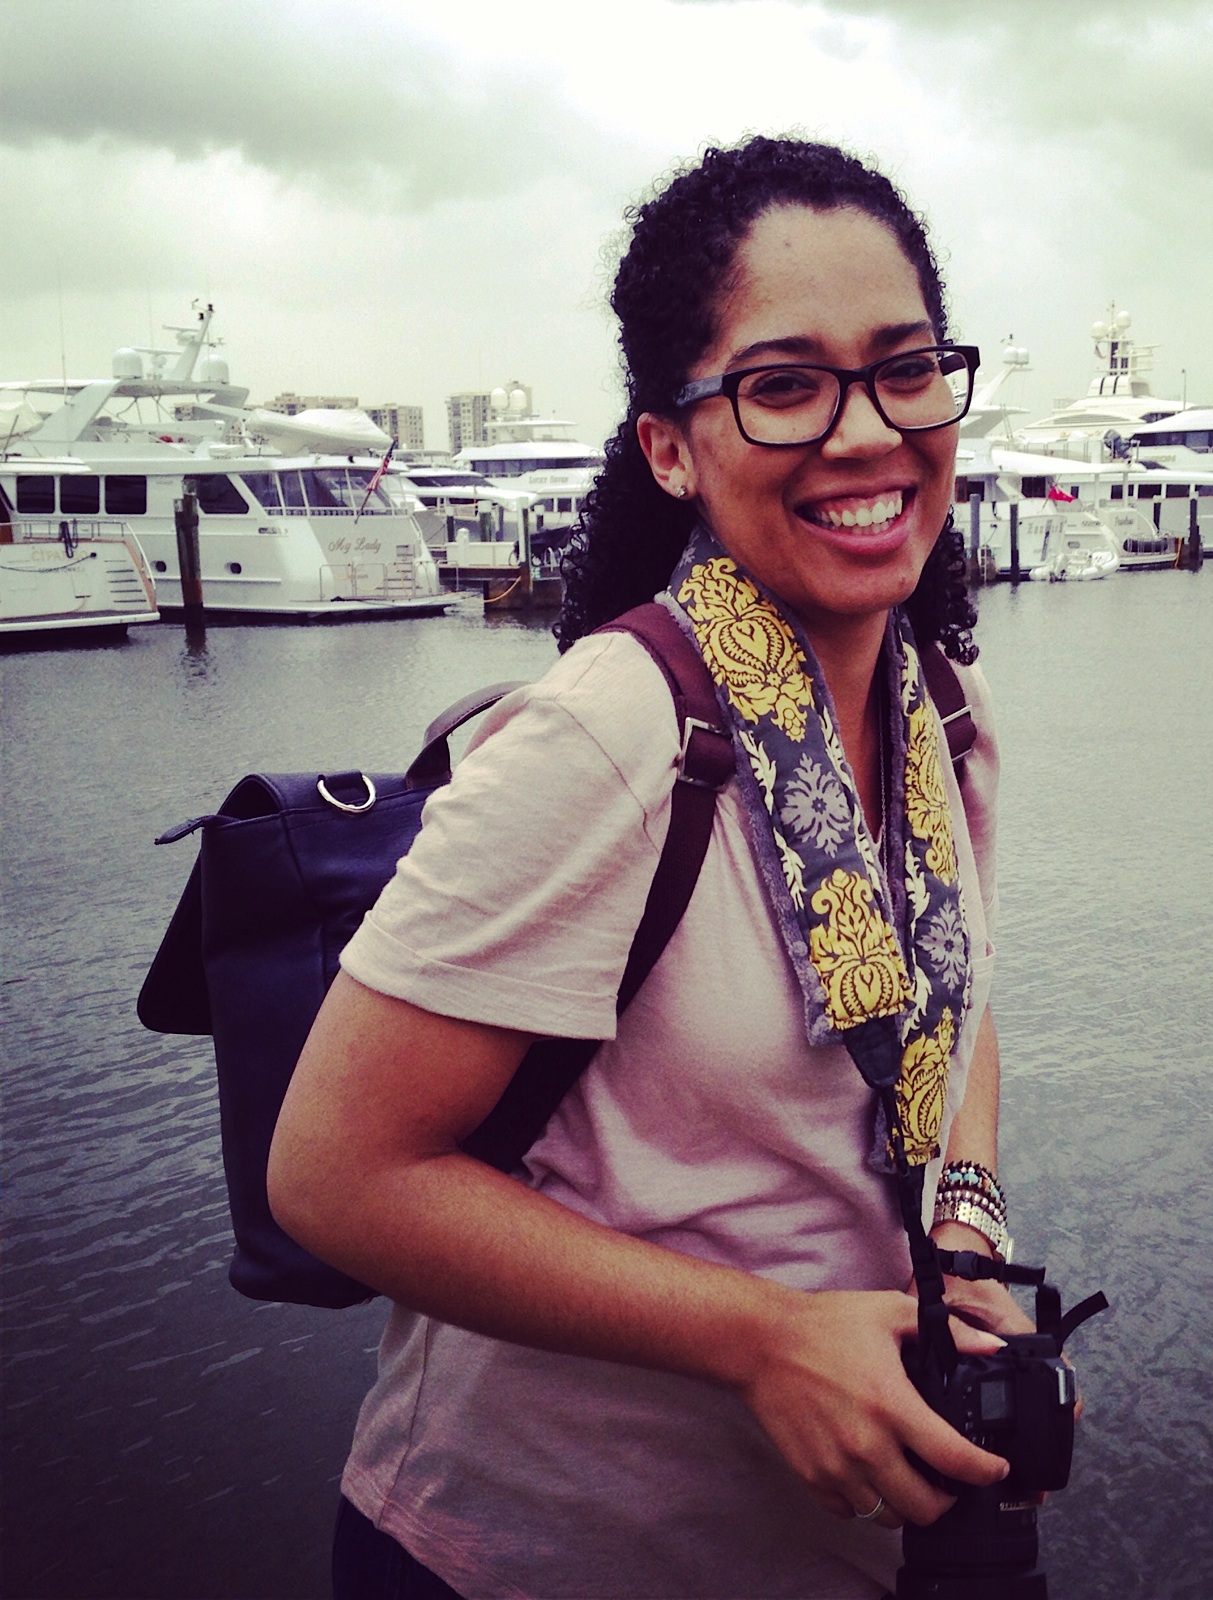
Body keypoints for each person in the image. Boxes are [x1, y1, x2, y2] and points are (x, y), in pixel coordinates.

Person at [269, 135, 1030, 1600]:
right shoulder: (614, 735)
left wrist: (968, 1226)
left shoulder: (944, 710)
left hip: (833, 1548)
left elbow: (956, 994)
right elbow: (336, 1177)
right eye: (785, 385)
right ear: (670, 447)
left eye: (905, 368)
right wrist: (765, 1341)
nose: (868, 432)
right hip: (526, 1556)